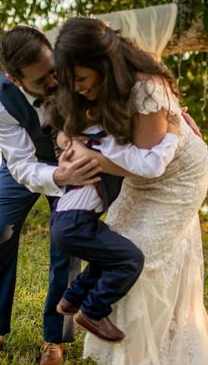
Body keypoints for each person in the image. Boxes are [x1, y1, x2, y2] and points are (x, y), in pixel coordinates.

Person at [54, 17, 208, 365]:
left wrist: (96, 158)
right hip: (140, 167)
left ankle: (143, 352)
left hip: (176, 177)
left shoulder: (147, 90)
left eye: (82, 80)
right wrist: (72, 143)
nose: (78, 89)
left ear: (103, 65)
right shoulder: (103, 87)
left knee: (144, 253)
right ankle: (106, 333)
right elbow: (71, 129)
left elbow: (151, 165)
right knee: (120, 239)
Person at [0, 26, 103, 365]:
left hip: (75, 160)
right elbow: (21, 164)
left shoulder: (74, 68)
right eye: (41, 81)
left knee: (66, 243)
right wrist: (58, 175)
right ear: (15, 80)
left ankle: (55, 340)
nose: (54, 83)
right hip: (25, 166)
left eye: (53, 71)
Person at [44, 99, 180, 343]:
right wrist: (170, 133)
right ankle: (93, 310)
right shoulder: (105, 143)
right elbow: (152, 165)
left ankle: (72, 298)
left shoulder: (83, 140)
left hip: (66, 221)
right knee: (131, 259)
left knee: (110, 256)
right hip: (75, 223)